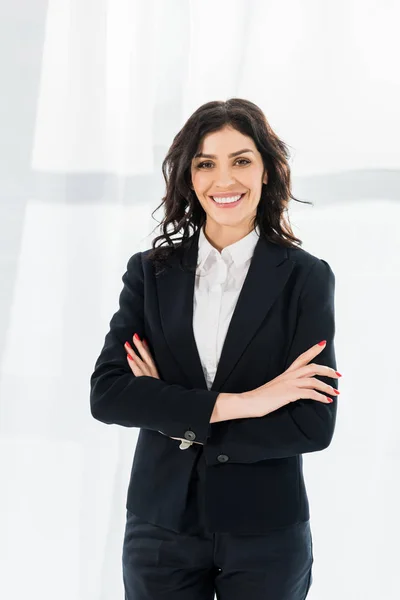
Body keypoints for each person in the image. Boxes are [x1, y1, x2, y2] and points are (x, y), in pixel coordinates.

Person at [90, 98, 340, 599]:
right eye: (206, 164)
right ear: (189, 176)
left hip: (266, 529)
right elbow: (109, 395)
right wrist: (251, 402)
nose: (224, 180)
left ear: (268, 170)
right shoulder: (150, 272)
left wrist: (169, 407)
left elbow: (312, 424)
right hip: (160, 524)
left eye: (241, 160)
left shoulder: (305, 278)